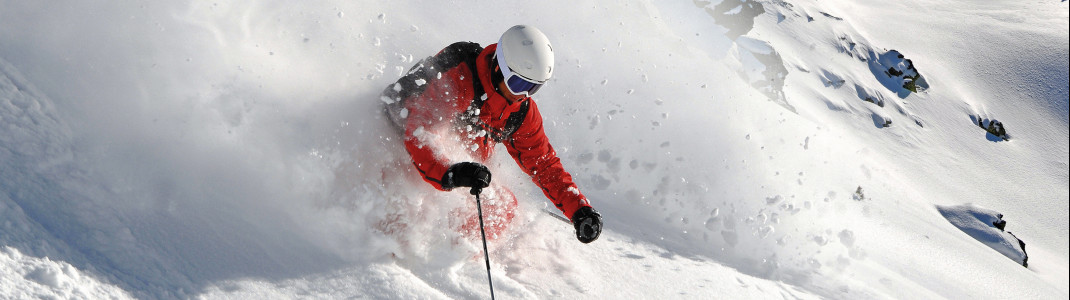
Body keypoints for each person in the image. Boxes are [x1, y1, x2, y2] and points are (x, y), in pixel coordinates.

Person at [380, 25, 602, 243]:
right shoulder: (459, 78)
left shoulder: (521, 112)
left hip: (452, 166)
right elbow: (420, 131)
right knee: (407, 207)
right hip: (400, 146)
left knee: (502, 207)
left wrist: (579, 209)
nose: (523, 94)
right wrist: (451, 174)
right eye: (519, 84)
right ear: (500, 68)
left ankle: (458, 257)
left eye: (533, 88)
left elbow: (544, 165)